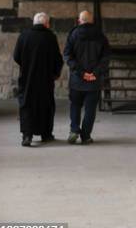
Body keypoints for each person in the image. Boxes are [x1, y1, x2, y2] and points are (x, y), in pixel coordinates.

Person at [13, 12, 63, 147]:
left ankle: (27, 135)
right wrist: (55, 73)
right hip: (45, 79)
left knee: (27, 105)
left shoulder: (24, 36)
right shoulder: (50, 37)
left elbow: (16, 56)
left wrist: (26, 65)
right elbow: (58, 59)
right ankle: (46, 134)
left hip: (27, 78)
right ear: (46, 23)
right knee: (45, 105)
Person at [63, 11, 110, 145]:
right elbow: (106, 57)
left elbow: (67, 56)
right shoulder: (100, 35)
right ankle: (85, 136)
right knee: (90, 109)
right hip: (93, 81)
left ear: (79, 20)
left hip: (77, 80)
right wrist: (94, 73)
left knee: (75, 105)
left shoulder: (73, 34)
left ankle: (74, 130)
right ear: (92, 21)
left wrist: (81, 73)